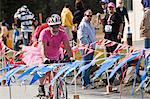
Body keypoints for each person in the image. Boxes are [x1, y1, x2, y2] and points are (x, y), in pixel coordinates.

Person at [37, 14, 73, 96]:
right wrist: (45, 58)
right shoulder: (44, 33)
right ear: (49, 26)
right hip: (44, 54)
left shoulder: (62, 33)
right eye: (53, 26)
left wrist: (71, 57)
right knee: (43, 70)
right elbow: (43, 47)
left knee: (59, 71)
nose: (55, 29)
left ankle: (59, 89)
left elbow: (67, 46)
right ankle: (41, 86)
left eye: (57, 26)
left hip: (56, 54)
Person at [77, 9, 96, 89]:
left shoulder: (90, 24)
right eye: (88, 15)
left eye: (91, 15)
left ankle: (87, 81)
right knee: (85, 65)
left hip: (91, 47)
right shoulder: (83, 24)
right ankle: (85, 83)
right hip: (86, 48)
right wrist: (87, 45)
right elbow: (81, 37)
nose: (89, 17)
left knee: (89, 65)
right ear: (84, 15)